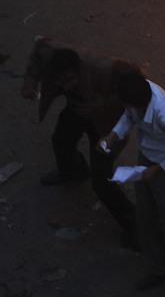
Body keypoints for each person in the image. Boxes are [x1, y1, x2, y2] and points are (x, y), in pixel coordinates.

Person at [21, 36, 138, 246]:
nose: (65, 87)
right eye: (60, 82)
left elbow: (139, 84)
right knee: (61, 141)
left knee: (101, 183)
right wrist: (30, 80)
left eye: (69, 80)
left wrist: (102, 105)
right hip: (77, 109)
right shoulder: (50, 53)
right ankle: (74, 171)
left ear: (79, 70)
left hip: (106, 125)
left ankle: (136, 227)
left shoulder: (107, 69)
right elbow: (38, 53)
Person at [101, 71, 165, 290]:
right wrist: (114, 134)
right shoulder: (139, 95)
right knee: (145, 217)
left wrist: (160, 168)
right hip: (146, 161)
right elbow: (128, 116)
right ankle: (160, 267)